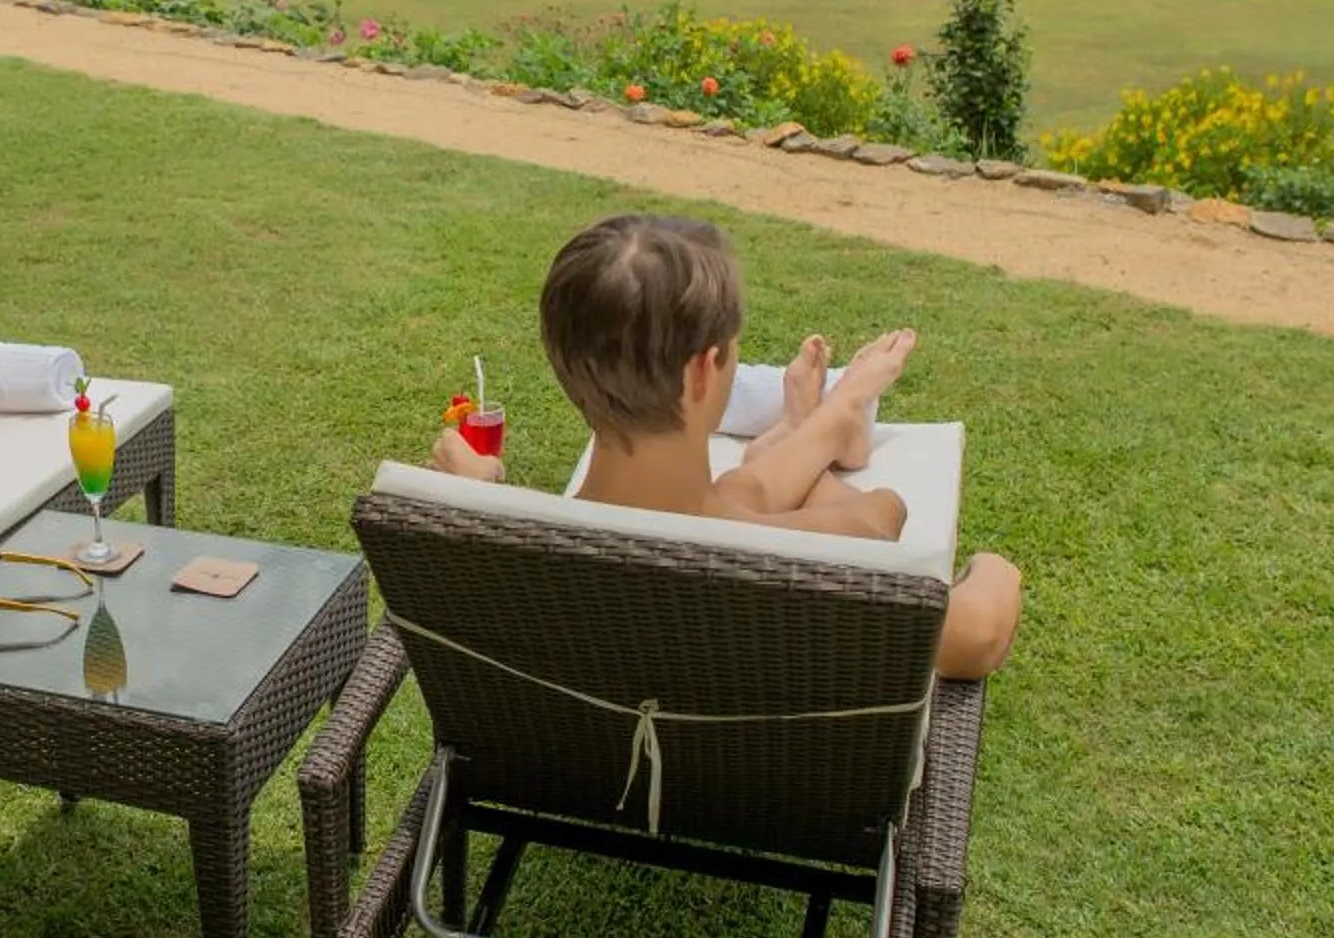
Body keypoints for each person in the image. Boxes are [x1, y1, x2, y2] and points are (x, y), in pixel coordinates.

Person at [428, 213, 1022, 679]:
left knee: (743, 491)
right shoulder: (789, 582)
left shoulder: (500, 559)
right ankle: (825, 422)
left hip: (568, 771)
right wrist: (996, 568)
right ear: (702, 372)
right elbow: (978, 632)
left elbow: (734, 500)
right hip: (759, 778)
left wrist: (477, 490)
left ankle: (820, 425)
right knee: (878, 510)